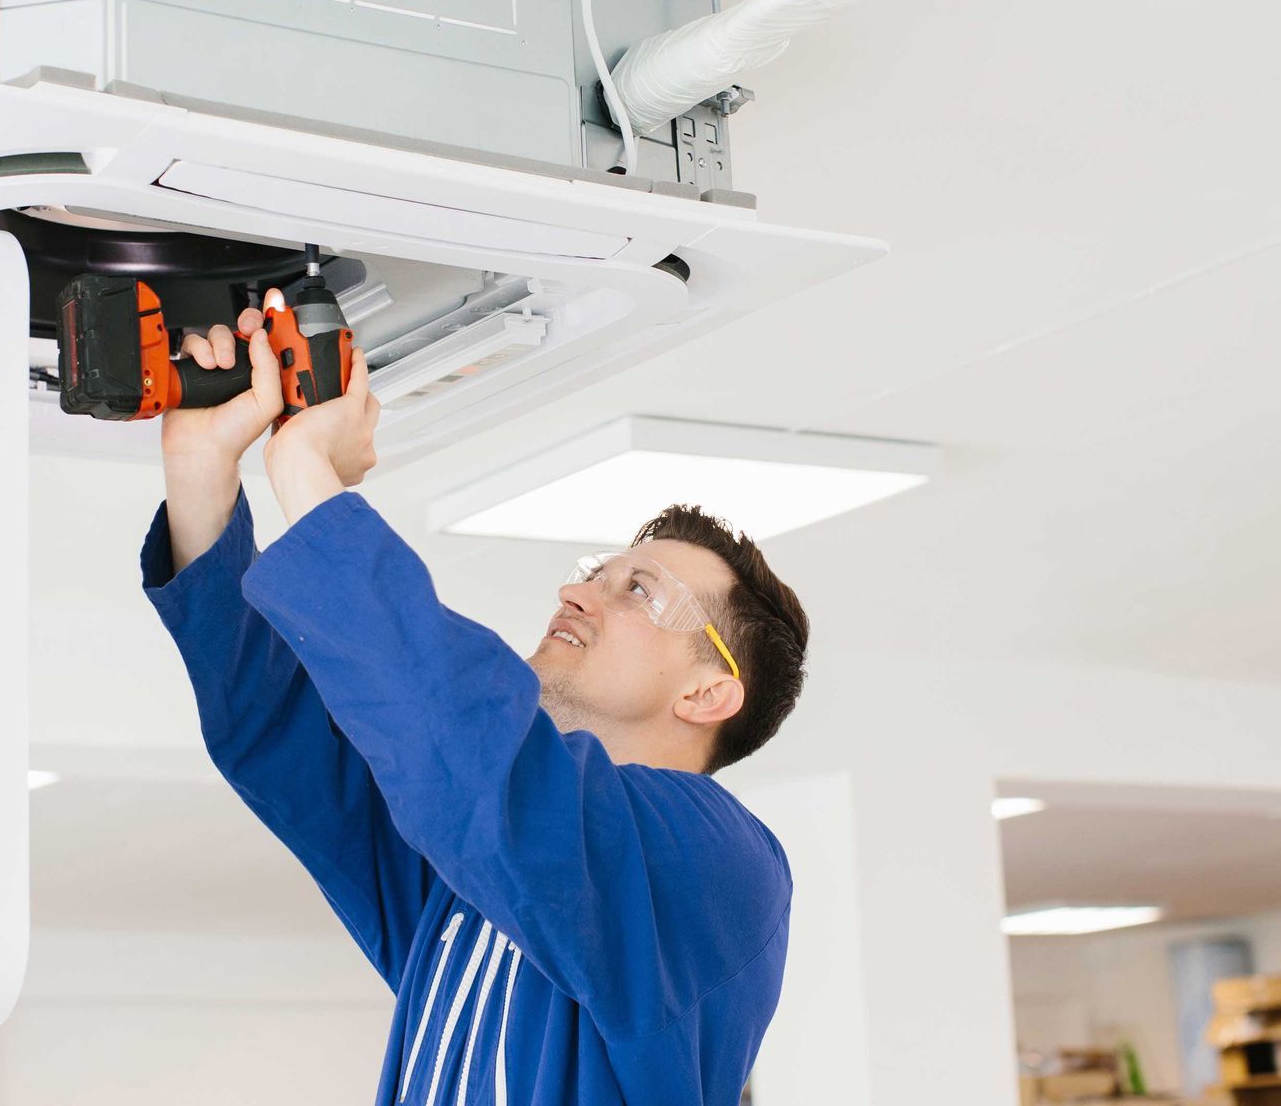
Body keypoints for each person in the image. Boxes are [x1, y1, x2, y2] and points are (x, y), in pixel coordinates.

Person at [138, 294, 811, 1105]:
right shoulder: (471, 885)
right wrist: (203, 472)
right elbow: (289, 745)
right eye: (593, 571)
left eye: (640, 590)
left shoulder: (722, 864)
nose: (578, 591)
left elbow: (479, 762)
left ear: (710, 692)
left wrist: (308, 474)